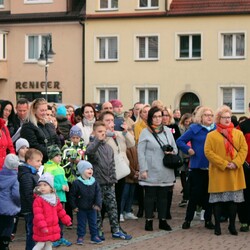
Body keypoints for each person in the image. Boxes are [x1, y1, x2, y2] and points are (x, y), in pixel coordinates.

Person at [85, 120, 132, 240]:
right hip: (97, 183)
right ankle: (98, 230)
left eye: (104, 132)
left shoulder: (108, 148)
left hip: (109, 183)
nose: (102, 134)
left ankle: (116, 230)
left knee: (113, 208)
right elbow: (89, 152)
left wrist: (113, 179)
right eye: (99, 131)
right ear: (94, 133)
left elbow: (112, 166)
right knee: (98, 209)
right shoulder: (91, 146)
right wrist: (97, 140)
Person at [204, 105, 247, 236]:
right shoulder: (211, 135)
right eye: (224, 118)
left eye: (229, 117)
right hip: (219, 172)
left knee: (233, 202)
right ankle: (217, 226)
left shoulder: (238, 133)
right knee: (217, 202)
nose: (228, 120)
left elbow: (244, 150)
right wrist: (224, 163)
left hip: (235, 172)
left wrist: (235, 163)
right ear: (218, 119)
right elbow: (208, 152)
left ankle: (232, 226)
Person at [138, 106, 177, 231]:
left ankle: (163, 220)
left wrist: (170, 152)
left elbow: (175, 149)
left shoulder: (167, 131)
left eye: (160, 116)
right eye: (155, 117)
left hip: (165, 169)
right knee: (149, 196)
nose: (158, 119)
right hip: (151, 169)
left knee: (163, 197)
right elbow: (141, 152)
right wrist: (143, 169)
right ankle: (148, 220)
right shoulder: (145, 132)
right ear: (150, 118)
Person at [176, 106, 215, 230]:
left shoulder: (216, 129)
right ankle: (188, 219)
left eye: (211, 115)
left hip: (212, 167)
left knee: (209, 196)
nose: (209, 117)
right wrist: (188, 149)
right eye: (206, 115)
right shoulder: (194, 129)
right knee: (194, 195)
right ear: (201, 117)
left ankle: (208, 220)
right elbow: (180, 141)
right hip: (197, 167)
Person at [98, 111, 135, 223]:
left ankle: (117, 224)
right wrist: (107, 134)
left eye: (112, 120)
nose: (111, 123)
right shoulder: (101, 136)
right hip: (107, 173)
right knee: (106, 200)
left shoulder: (118, 134)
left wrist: (125, 132)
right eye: (107, 121)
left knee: (118, 197)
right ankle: (99, 225)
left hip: (121, 170)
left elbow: (132, 144)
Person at [33, 173, 72, 250]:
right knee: (40, 244)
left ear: (51, 187)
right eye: (40, 185)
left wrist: (67, 220)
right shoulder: (38, 200)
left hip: (52, 227)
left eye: (45, 185)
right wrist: (43, 226)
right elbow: (38, 215)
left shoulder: (55, 198)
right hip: (42, 227)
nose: (42, 187)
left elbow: (60, 211)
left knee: (49, 244)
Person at [43, 145, 72, 247]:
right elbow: (48, 184)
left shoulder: (60, 168)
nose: (59, 157)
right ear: (51, 157)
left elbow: (64, 180)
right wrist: (61, 187)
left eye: (60, 155)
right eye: (57, 155)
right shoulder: (48, 168)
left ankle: (59, 237)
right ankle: (53, 239)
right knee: (53, 219)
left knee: (60, 219)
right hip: (52, 198)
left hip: (61, 198)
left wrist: (67, 185)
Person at [69, 160, 103, 245]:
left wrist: (97, 204)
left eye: (91, 168)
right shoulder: (77, 183)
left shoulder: (94, 182)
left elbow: (98, 194)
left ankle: (94, 236)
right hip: (81, 208)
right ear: (81, 170)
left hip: (92, 208)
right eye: (87, 169)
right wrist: (74, 206)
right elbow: (72, 195)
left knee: (93, 223)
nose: (90, 170)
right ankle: (80, 237)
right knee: (81, 223)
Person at [20, 98, 61, 163]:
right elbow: (34, 145)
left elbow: (57, 140)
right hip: (39, 163)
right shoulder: (28, 126)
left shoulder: (49, 125)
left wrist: (57, 153)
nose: (44, 113)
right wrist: (52, 155)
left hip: (54, 161)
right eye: (42, 110)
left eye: (45, 110)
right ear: (34, 110)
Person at [18, 148, 43, 250]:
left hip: (35, 208)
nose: (40, 163)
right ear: (29, 161)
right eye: (38, 161)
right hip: (30, 209)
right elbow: (28, 194)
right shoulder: (27, 176)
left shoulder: (34, 174)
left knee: (35, 232)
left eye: (41, 161)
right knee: (31, 232)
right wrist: (35, 207)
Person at [61, 125, 86, 223]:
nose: (75, 139)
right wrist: (68, 160)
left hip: (80, 176)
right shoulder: (66, 147)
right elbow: (62, 161)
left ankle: (81, 217)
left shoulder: (83, 146)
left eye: (77, 137)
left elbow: (85, 158)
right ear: (70, 137)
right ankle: (69, 218)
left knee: (80, 197)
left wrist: (80, 161)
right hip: (69, 176)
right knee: (69, 197)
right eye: (73, 137)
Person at [162, 107, 181, 219]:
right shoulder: (156, 128)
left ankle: (167, 210)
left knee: (170, 186)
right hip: (159, 160)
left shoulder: (174, 127)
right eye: (163, 115)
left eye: (167, 115)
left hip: (170, 160)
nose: (165, 117)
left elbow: (178, 141)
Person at [133, 104, 151, 218]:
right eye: (144, 111)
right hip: (141, 153)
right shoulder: (137, 125)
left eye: (148, 111)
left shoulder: (154, 125)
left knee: (151, 183)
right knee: (141, 184)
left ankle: (150, 207)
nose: (146, 113)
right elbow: (137, 141)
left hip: (152, 155)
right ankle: (141, 207)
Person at [0, 154, 20, 250]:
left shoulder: (0, 175)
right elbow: (16, 195)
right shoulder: (15, 179)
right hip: (9, 209)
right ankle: (5, 245)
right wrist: (18, 205)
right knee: (8, 228)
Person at [178, 113, 192, 207]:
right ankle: (185, 195)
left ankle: (187, 195)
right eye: (186, 121)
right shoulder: (179, 128)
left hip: (190, 156)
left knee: (189, 177)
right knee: (183, 175)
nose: (187, 123)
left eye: (189, 122)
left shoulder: (192, 129)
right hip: (182, 155)